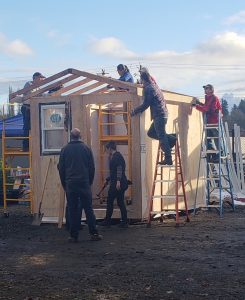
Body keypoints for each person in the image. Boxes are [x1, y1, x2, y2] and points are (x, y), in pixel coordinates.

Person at [58, 128, 102, 242]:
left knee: (72, 210)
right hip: (84, 183)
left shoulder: (64, 150)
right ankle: (94, 233)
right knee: (88, 208)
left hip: (70, 183)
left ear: (71, 137)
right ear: (80, 136)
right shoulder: (86, 149)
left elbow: (61, 169)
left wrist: (64, 183)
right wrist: (89, 181)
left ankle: (73, 236)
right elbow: (92, 167)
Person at [130, 71, 176, 165]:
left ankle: (168, 158)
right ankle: (172, 138)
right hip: (162, 114)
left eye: (141, 80)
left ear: (143, 79)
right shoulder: (154, 86)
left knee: (161, 136)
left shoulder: (149, 88)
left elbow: (146, 104)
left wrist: (135, 111)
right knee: (151, 133)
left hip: (159, 115)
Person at [99, 141, 129, 228]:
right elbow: (115, 171)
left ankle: (107, 221)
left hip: (117, 183)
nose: (106, 151)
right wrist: (108, 179)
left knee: (110, 201)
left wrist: (118, 181)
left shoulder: (116, 157)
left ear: (110, 148)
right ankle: (124, 221)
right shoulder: (118, 156)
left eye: (106, 149)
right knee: (120, 202)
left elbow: (119, 169)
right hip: (120, 182)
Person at [192, 84, 222, 161]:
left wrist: (196, 106)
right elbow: (206, 106)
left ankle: (219, 155)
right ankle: (211, 155)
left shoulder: (214, 98)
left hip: (214, 121)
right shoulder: (208, 98)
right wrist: (199, 104)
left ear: (211, 90)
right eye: (205, 88)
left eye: (207, 88)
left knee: (216, 139)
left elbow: (208, 109)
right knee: (208, 140)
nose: (205, 90)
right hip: (209, 121)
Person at [21, 72, 45, 151]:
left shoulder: (37, 87)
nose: (41, 80)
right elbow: (32, 94)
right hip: (27, 108)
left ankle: (33, 145)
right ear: (35, 78)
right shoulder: (29, 84)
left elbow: (41, 95)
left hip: (33, 109)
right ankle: (25, 146)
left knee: (34, 127)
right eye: (40, 78)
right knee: (27, 127)